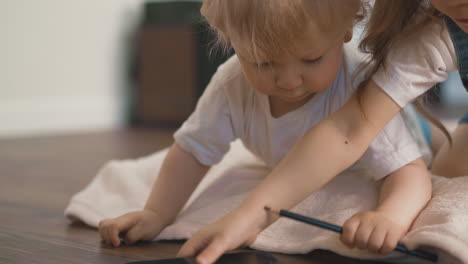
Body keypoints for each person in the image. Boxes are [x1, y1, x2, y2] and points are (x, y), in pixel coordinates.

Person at [98, 1, 432, 263]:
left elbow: (410, 172)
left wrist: (390, 217)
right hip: (289, 164)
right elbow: (191, 151)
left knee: (440, 156)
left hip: (403, 142)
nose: (288, 82)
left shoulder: (360, 83)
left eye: (311, 59)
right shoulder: (230, 85)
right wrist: (157, 213)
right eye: (263, 63)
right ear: (230, 41)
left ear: (347, 30)